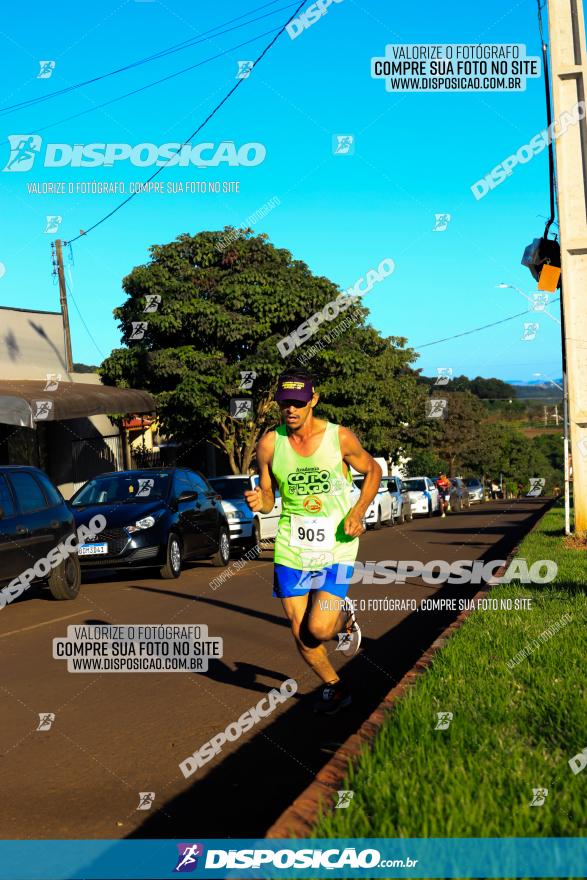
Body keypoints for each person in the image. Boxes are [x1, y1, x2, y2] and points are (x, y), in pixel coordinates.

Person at [244, 369, 381, 715]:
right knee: (302, 633)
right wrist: (261, 502)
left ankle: (343, 616)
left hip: (337, 541)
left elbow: (374, 470)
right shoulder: (269, 444)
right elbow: (269, 495)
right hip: (292, 545)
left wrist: (359, 510)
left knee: (319, 627)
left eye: (297, 403)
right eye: (284, 403)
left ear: (313, 400)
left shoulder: (340, 438)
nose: (290, 409)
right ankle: (336, 688)